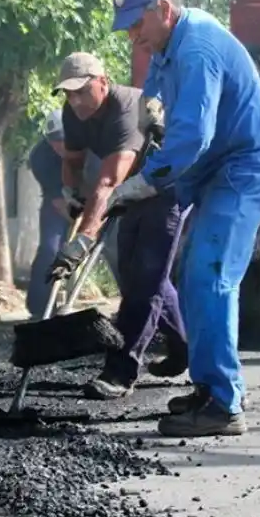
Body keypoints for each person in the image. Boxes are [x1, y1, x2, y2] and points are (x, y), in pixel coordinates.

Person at [104, 0, 260, 437]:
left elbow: (191, 138)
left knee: (210, 274)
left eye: (137, 24)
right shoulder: (170, 43)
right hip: (211, 168)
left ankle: (223, 405)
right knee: (191, 275)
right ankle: (210, 387)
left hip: (244, 167)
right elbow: (157, 94)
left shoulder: (199, 47)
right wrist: (150, 108)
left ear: (164, 9)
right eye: (127, 27)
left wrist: (145, 182)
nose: (133, 36)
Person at [50, 52, 190, 400]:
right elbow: (73, 159)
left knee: (145, 280)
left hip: (165, 188)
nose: (75, 100)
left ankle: (120, 371)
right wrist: (70, 192)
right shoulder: (73, 112)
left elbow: (109, 181)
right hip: (132, 192)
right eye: (69, 93)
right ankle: (185, 348)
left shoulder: (126, 108)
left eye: (82, 91)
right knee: (136, 277)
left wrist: (83, 240)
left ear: (103, 81)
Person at [26, 110, 119, 318]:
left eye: (63, 140)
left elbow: (106, 183)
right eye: (54, 141)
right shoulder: (40, 157)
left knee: (113, 249)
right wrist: (76, 220)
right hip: (60, 203)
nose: (59, 146)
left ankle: (131, 306)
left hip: (99, 200)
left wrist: (89, 224)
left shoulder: (94, 148)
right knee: (51, 249)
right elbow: (58, 200)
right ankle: (40, 309)